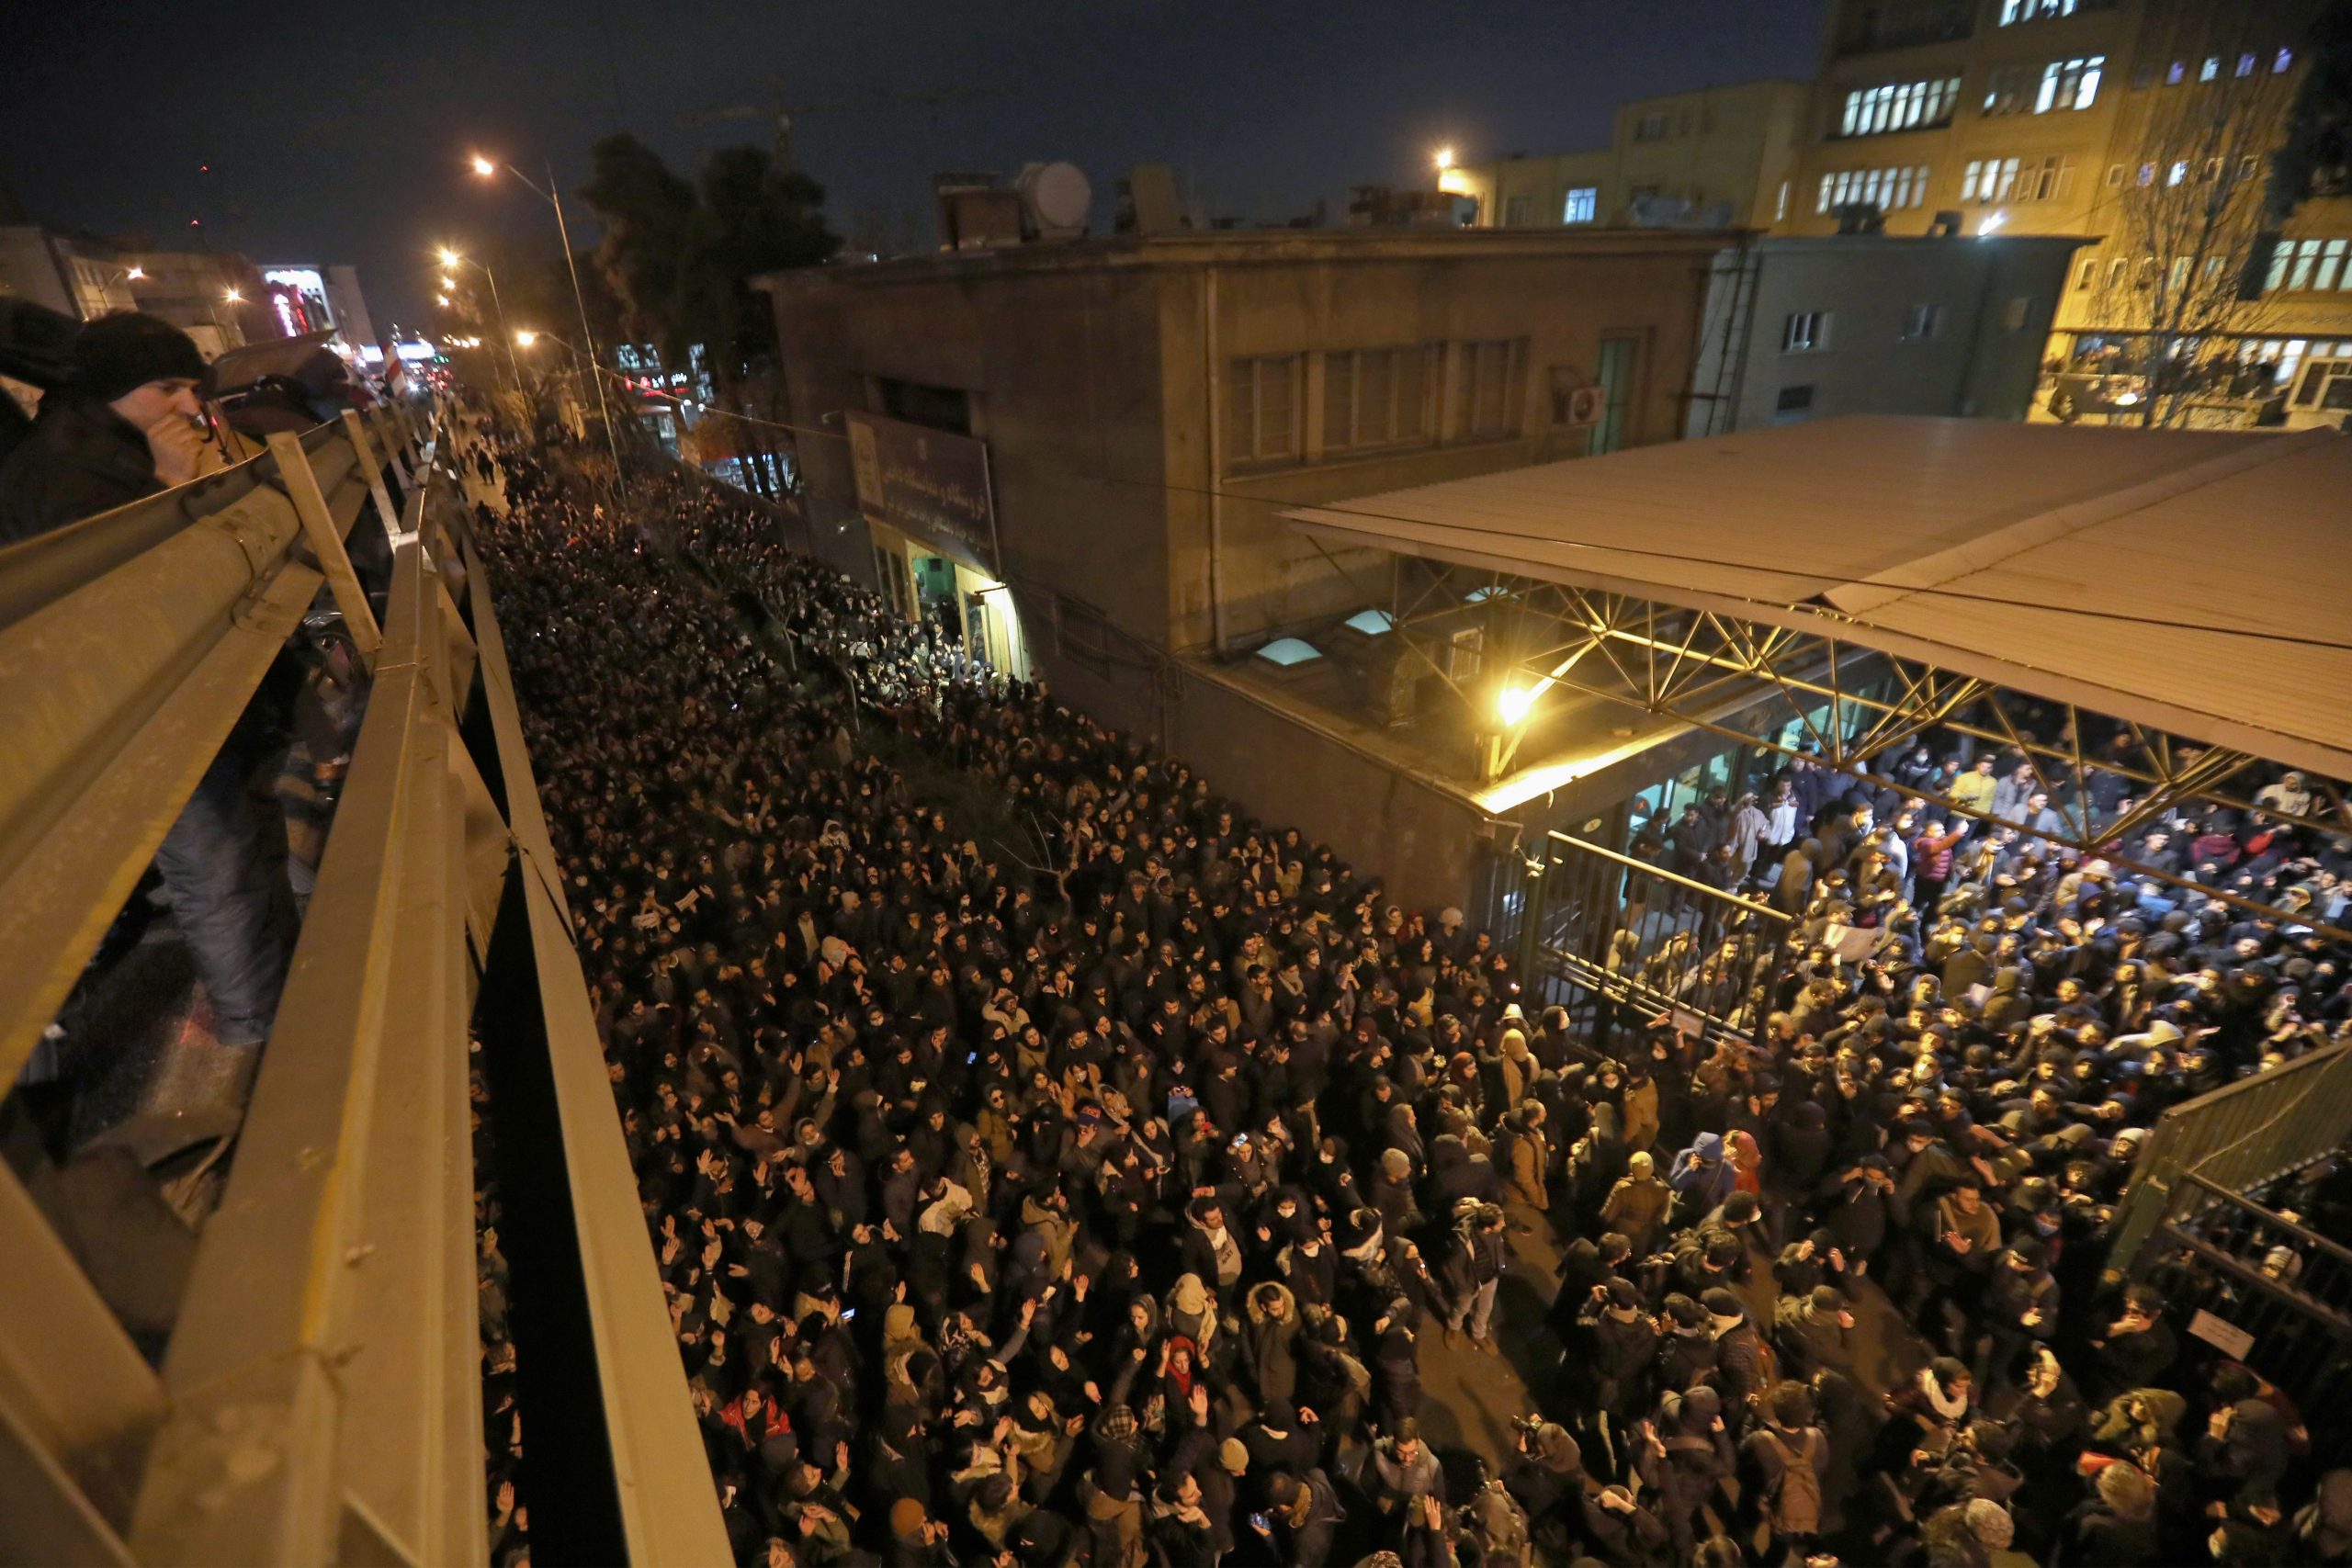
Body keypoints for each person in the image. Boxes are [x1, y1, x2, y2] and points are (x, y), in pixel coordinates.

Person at [0, 311, 219, 543]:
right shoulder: (64, 466)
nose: (192, 408)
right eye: (168, 388)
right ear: (111, 389)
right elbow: (98, 563)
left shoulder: (120, 444)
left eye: (193, 391)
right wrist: (168, 482)